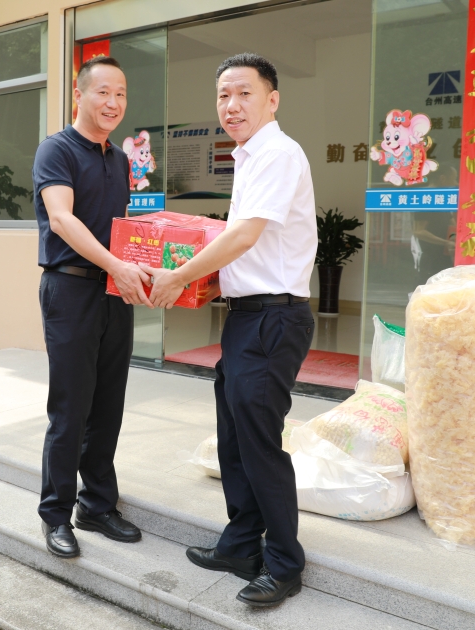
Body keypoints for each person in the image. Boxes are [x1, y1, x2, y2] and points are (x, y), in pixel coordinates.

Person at [140, 53, 317, 608]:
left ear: (273, 99)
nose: (231, 106)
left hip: (273, 317)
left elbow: (243, 237)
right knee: (235, 438)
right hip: (248, 316)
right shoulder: (250, 156)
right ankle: (241, 544)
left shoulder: (278, 154)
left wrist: (178, 277)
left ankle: (284, 564)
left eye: (244, 93)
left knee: (259, 444)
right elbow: (243, 243)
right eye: (223, 96)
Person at [32, 56, 152, 559]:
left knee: (108, 404)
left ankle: (97, 506)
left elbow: (117, 228)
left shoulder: (120, 160)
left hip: (114, 291)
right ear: (79, 95)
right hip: (71, 289)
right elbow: (62, 220)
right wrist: (117, 266)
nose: (113, 102)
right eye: (103, 92)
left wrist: (140, 263)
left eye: (120, 93)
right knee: (71, 407)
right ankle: (56, 514)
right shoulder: (56, 149)